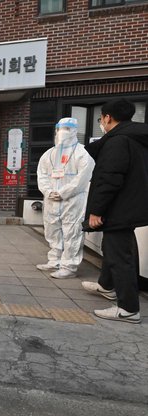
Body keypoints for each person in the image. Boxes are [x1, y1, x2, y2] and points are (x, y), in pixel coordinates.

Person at [83, 98, 148, 324]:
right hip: (128, 206)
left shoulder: (118, 141)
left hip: (119, 208)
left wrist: (96, 210)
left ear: (108, 117)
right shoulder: (134, 138)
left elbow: (109, 179)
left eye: (101, 118)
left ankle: (128, 308)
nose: (101, 122)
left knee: (120, 256)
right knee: (111, 248)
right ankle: (107, 285)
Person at [36, 117, 95, 279]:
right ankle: (54, 260)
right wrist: (48, 192)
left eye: (67, 129)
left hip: (73, 200)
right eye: (60, 129)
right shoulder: (49, 154)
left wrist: (63, 192)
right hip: (51, 200)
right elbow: (42, 175)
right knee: (52, 229)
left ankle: (69, 266)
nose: (63, 133)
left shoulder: (82, 153)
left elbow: (82, 178)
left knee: (72, 231)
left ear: (75, 131)